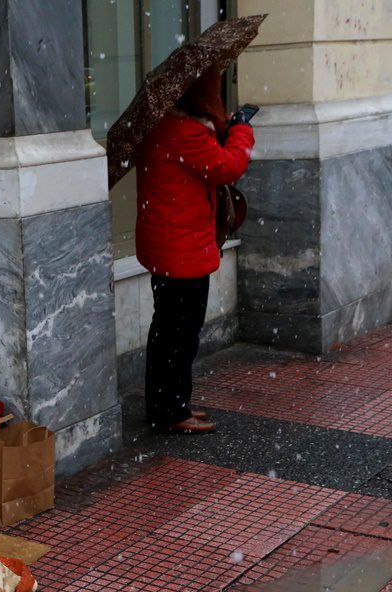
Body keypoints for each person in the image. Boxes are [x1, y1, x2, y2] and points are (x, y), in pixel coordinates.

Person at [135, 70, 255, 434]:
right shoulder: (185, 133)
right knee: (179, 336)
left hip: (169, 246)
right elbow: (228, 166)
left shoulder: (161, 126)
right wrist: (242, 130)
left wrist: (220, 130)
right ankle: (171, 412)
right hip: (181, 251)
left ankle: (168, 404)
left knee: (168, 332)